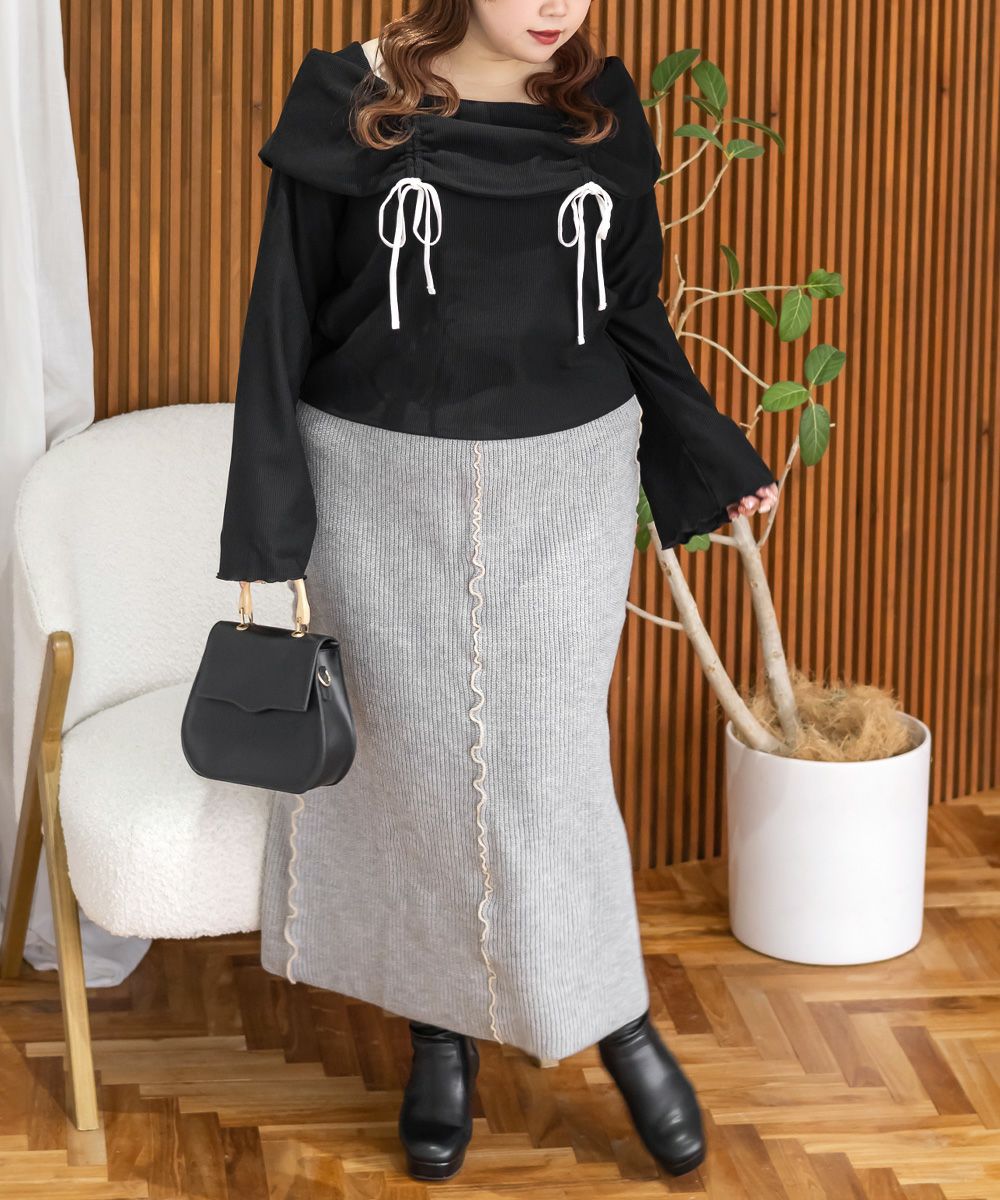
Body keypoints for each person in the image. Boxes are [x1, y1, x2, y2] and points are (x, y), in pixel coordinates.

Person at [216, 1, 777, 1183]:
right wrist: (267, 525)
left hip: (565, 486)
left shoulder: (598, 111)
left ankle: (618, 1022)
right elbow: (280, 318)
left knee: (547, 765)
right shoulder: (351, 99)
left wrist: (712, 451)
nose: (554, 7)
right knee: (417, 766)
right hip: (380, 487)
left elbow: (632, 310)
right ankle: (441, 1040)